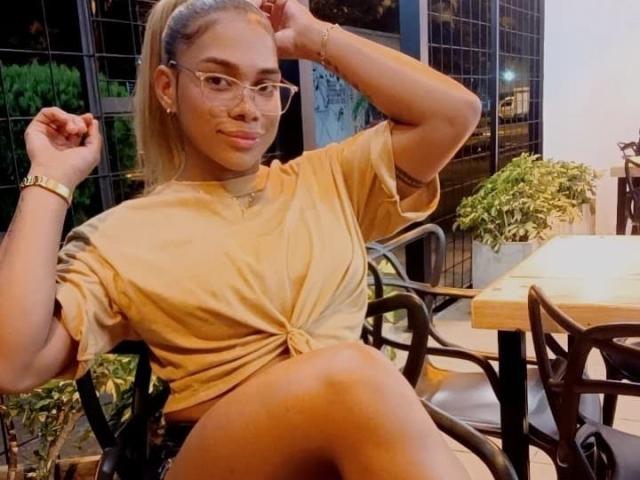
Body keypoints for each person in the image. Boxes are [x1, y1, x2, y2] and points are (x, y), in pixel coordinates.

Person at [0, 0, 481, 478]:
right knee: (354, 374)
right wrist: (50, 178)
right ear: (167, 87)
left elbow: (453, 114)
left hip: (338, 455)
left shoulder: (329, 180)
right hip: (216, 458)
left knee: (356, 380)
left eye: (265, 85)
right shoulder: (121, 236)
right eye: (218, 80)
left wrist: (314, 36)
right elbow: (13, 362)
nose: (247, 108)